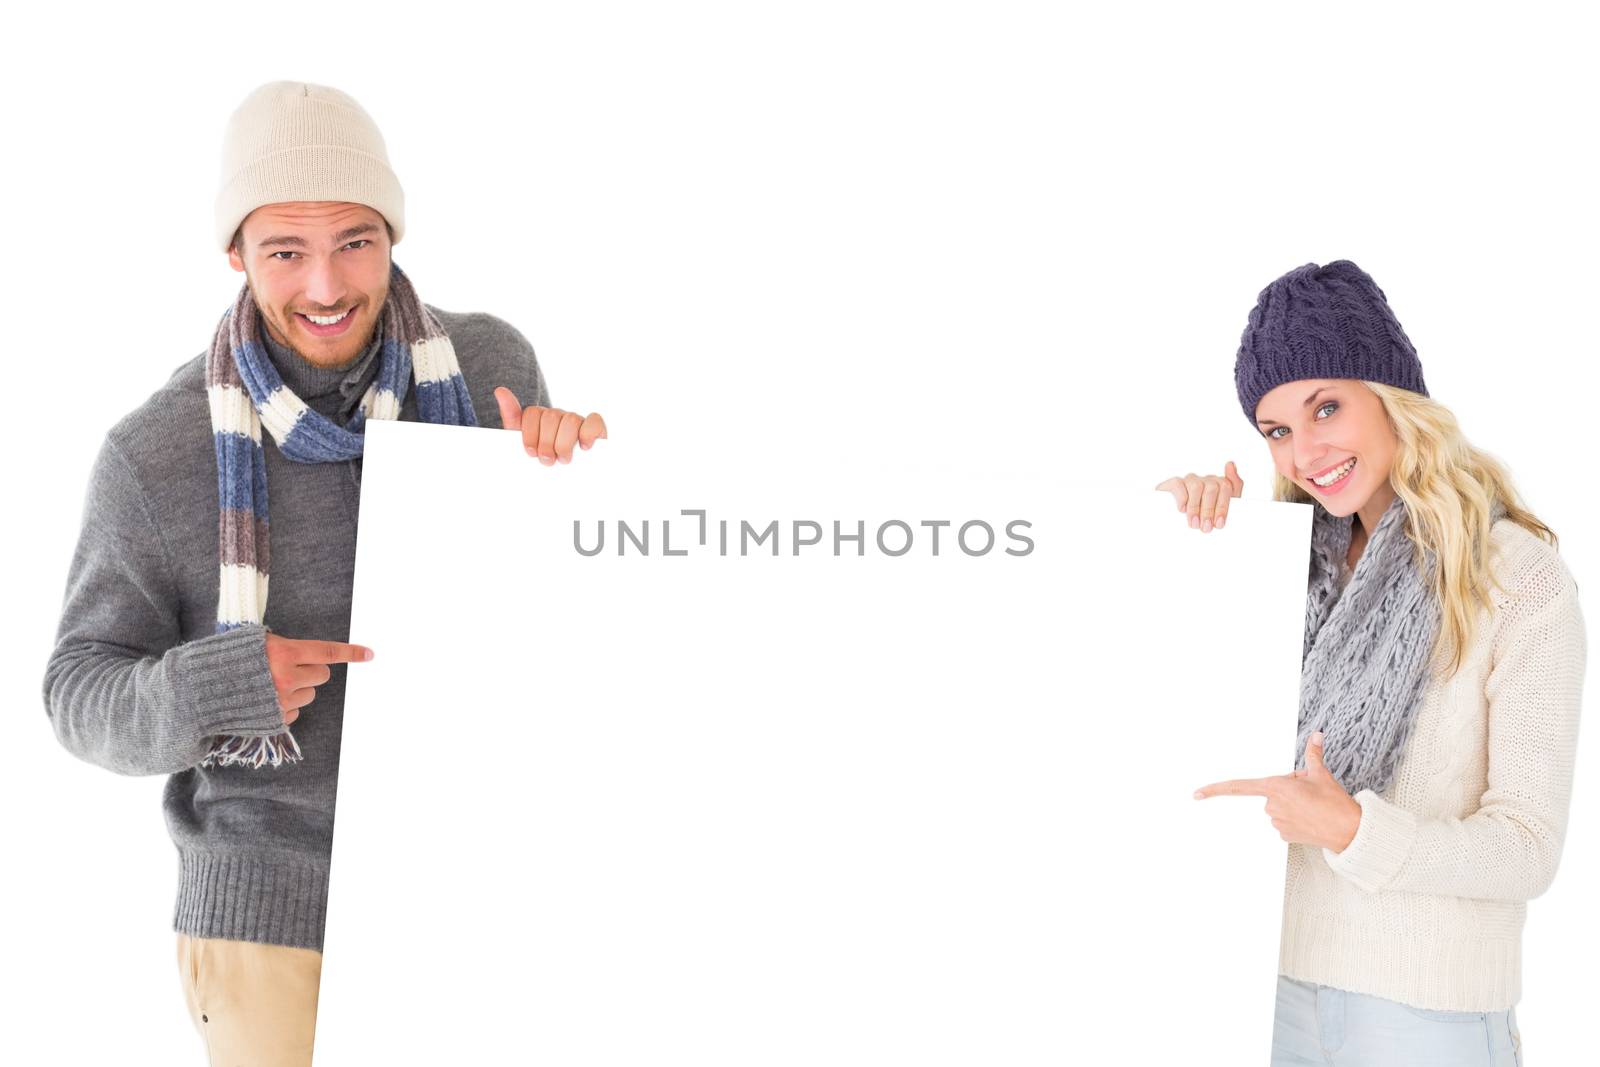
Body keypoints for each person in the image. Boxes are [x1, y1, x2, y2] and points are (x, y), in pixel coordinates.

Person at [41, 80, 606, 1066]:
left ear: (392, 234)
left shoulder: (486, 368)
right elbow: (78, 692)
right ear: (235, 255)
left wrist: (567, 473)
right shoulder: (156, 452)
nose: (326, 285)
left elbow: (557, 625)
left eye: (354, 242)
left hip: (487, 884)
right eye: (285, 251)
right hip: (274, 920)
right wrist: (217, 686)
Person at [1161, 260, 1585, 1066]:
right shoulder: (1280, 570)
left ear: (1393, 397)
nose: (1303, 452)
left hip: (1428, 1019)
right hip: (1261, 992)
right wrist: (1190, 545)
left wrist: (1356, 829)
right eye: (1277, 430)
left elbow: (1530, 845)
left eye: (1327, 407)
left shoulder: (1517, 579)